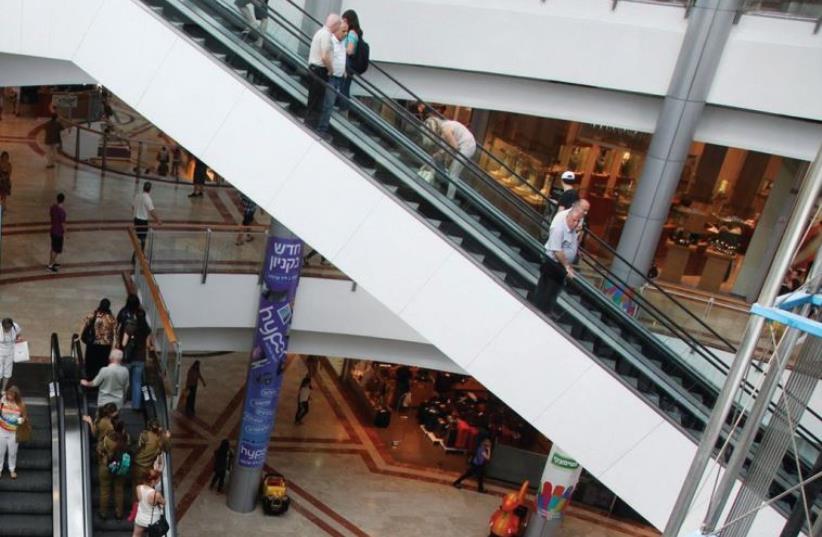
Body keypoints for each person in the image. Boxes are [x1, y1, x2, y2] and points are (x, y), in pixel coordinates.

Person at [533, 203, 585, 318]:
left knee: (555, 290)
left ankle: (547, 310)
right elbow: (557, 251)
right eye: (574, 220)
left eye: (578, 221)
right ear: (568, 217)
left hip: (560, 266)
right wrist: (567, 266)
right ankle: (540, 311)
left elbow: (571, 245)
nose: (576, 223)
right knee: (547, 289)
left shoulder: (572, 231)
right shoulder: (559, 229)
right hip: (553, 264)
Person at [423, 116, 477, 199]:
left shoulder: (445, 130)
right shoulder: (444, 127)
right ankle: (445, 191)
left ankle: (449, 199)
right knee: (450, 171)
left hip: (467, 146)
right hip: (464, 144)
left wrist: (441, 153)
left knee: (453, 174)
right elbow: (449, 147)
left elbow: (454, 147)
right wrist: (440, 153)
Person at [305, 14, 341, 130]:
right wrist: (331, 70)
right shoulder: (326, 35)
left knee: (313, 102)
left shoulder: (320, 32)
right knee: (317, 104)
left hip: (314, 70)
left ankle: (309, 127)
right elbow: (325, 56)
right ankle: (311, 129)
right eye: (338, 26)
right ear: (335, 25)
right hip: (319, 71)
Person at [316, 19, 348, 137]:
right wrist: (331, 70)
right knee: (328, 105)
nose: (345, 34)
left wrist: (343, 70)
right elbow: (328, 58)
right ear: (337, 30)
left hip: (339, 77)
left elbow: (340, 58)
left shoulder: (342, 44)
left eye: (347, 32)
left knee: (332, 103)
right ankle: (321, 130)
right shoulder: (332, 42)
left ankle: (324, 127)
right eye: (343, 31)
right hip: (332, 77)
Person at [118, 300, 151, 411]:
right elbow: (148, 345)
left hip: (129, 358)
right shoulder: (146, 329)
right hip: (140, 358)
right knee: (137, 382)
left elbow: (123, 343)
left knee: (124, 382)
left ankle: (121, 403)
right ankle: (135, 405)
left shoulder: (130, 326)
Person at [97, 418, 131, 520]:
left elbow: (99, 449)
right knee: (119, 490)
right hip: (122, 467)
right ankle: (119, 513)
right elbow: (129, 448)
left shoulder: (107, 438)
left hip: (107, 466)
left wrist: (103, 454)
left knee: (105, 491)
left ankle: (103, 513)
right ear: (123, 429)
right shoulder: (126, 438)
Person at [81, 298, 117, 380]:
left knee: (90, 363)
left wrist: (80, 335)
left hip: (93, 343)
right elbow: (115, 333)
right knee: (102, 364)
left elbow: (85, 323)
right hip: (106, 345)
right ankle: (100, 381)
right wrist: (115, 345)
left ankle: (90, 381)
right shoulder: (111, 318)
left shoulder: (94, 314)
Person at [133, 420, 171, 491]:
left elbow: (138, 446)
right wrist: (167, 438)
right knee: (147, 488)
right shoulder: (162, 439)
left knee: (136, 488)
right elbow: (168, 448)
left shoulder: (145, 435)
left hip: (138, 465)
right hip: (149, 467)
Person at [0, 385, 26, 479]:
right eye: (8, 394)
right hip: (1, 431)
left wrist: (21, 420)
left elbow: (24, 416)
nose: (9, 397)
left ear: (16, 395)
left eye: (12, 395)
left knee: (12, 453)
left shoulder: (21, 404)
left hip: (14, 432)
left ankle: (12, 469)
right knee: (0, 452)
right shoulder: (2, 400)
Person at [340, 10, 363, 114]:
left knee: (344, 87)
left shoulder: (352, 33)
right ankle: (343, 108)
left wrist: (339, 49)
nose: (343, 23)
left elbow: (350, 50)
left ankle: (343, 109)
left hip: (347, 63)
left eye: (345, 20)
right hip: (347, 63)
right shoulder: (350, 33)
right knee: (344, 86)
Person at [132, 182, 162, 256]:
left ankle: (138, 254)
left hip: (136, 220)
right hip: (143, 221)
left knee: (139, 238)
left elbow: (132, 207)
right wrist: (158, 220)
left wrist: (137, 211)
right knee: (142, 239)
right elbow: (152, 212)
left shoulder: (138, 196)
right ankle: (140, 255)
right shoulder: (148, 199)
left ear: (143, 188)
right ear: (150, 189)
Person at [132, 469, 165, 537]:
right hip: (153, 520)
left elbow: (140, 499)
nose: (158, 481)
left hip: (140, 517)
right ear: (153, 481)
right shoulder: (156, 494)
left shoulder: (138, 488)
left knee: (136, 535)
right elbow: (164, 502)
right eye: (158, 480)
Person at [0, 318, 21, 394]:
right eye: (5, 328)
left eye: (9, 328)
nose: (7, 330)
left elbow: (18, 335)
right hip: (0, 352)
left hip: (10, 352)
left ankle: (3, 389)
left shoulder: (15, 327)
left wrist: (18, 339)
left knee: (7, 372)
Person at [47, 192, 67, 272]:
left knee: (53, 247)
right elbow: (63, 224)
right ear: (63, 200)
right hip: (58, 233)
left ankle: (53, 262)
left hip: (52, 230)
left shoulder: (53, 207)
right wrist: (66, 231)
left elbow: (51, 215)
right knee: (56, 249)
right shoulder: (62, 212)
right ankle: (50, 265)